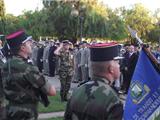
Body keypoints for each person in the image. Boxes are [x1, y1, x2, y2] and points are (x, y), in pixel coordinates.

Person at [1, 30, 56, 120]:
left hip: (10, 111)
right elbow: (51, 91)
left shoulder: (6, 65)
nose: (31, 44)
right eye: (28, 42)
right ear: (22, 47)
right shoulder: (28, 68)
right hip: (26, 114)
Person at [64, 42, 124, 120]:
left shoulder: (77, 92)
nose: (119, 66)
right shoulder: (113, 100)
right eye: (117, 63)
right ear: (111, 68)